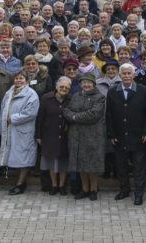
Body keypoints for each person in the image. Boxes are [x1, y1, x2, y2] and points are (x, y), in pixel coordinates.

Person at [106, 64, 146, 205]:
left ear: (134, 75)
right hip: (119, 135)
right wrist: (111, 134)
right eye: (124, 73)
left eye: (129, 73)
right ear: (120, 75)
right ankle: (124, 189)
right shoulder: (112, 91)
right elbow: (109, 115)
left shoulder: (143, 90)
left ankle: (139, 193)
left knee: (139, 167)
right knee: (121, 166)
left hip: (138, 136)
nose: (126, 76)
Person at [63, 72, 106, 201]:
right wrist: (72, 116)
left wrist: (75, 117)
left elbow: (94, 114)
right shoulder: (76, 95)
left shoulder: (99, 97)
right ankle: (85, 189)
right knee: (80, 164)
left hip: (93, 136)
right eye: (84, 82)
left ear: (93, 84)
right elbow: (66, 110)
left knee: (92, 165)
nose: (86, 85)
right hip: (76, 136)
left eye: (89, 82)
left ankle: (93, 189)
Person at [0, 71, 40, 195]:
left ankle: (21, 183)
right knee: (14, 155)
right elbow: (3, 110)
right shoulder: (9, 93)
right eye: (16, 78)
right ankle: (17, 181)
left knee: (24, 156)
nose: (18, 81)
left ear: (26, 80)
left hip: (23, 131)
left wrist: (14, 118)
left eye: (21, 78)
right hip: (10, 130)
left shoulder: (31, 94)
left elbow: (31, 112)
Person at [37, 77, 72, 196]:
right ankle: (54, 185)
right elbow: (40, 117)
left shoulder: (71, 99)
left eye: (66, 87)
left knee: (63, 161)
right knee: (51, 161)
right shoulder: (46, 98)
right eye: (61, 87)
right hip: (49, 133)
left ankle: (62, 186)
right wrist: (38, 135)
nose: (63, 89)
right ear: (56, 86)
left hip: (65, 135)